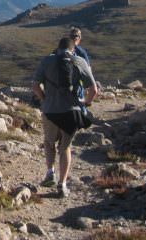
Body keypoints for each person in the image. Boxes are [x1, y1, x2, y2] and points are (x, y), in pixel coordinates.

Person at [32, 37, 98, 198]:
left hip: (50, 111)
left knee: (49, 142)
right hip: (72, 112)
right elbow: (94, 90)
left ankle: (50, 172)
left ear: (58, 48)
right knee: (65, 148)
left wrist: (43, 99)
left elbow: (35, 85)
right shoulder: (80, 61)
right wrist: (85, 102)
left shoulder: (47, 60)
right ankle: (62, 184)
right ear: (73, 49)